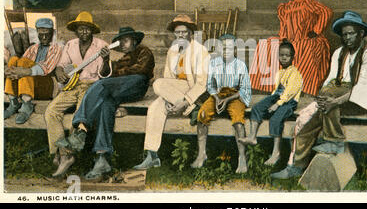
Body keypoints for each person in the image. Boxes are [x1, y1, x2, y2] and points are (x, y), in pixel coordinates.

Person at [271, 11, 367, 179]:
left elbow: (362, 87)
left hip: (357, 100)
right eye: (344, 34)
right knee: (304, 121)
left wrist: (332, 101)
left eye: (351, 33)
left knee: (328, 96)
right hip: (333, 98)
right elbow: (329, 81)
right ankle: (295, 167)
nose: (347, 37)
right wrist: (322, 99)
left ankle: (335, 141)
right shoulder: (339, 52)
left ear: (361, 33)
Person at [53, 27, 155, 180]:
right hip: (121, 89)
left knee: (100, 85)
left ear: (134, 40)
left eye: (125, 40)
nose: (122, 44)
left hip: (137, 84)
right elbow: (109, 72)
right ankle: (102, 158)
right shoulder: (124, 58)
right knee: (106, 104)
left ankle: (81, 128)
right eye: (120, 42)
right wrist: (106, 60)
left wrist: (115, 74)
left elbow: (141, 70)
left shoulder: (144, 51)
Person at [133, 15, 210, 170]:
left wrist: (185, 101)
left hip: (195, 93)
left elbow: (202, 83)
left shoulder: (200, 51)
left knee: (158, 83)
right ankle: (152, 155)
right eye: (177, 33)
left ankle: (191, 107)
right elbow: (169, 79)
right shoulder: (172, 51)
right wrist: (169, 100)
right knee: (155, 107)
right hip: (176, 93)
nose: (180, 36)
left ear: (190, 33)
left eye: (184, 32)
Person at [44, 11, 108, 177]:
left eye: (87, 29)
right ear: (76, 30)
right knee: (51, 111)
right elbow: (61, 65)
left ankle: (68, 155)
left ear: (92, 30)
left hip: (91, 87)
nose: (84, 32)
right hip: (72, 85)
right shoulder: (70, 45)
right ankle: (61, 152)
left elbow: (105, 75)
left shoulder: (102, 45)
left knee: (79, 116)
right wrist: (59, 72)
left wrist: (106, 60)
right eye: (81, 29)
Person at [249, 0, 332, 96]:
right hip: (290, 39)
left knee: (304, 49)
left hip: (308, 38)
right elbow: (284, 26)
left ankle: (302, 89)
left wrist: (316, 30)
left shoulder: (307, 3)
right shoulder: (284, 8)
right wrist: (283, 38)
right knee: (266, 45)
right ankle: (266, 87)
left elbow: (326, 12)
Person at [191, 34, 252, 173]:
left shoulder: (240, 65)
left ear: (235, 50)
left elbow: (244, 89)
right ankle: (202, 154)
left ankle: (242, 157)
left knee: (238, 120)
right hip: (218, 95)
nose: (226, 51)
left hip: (235, 96)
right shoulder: (214, 63)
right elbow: (210, 85)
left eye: (230, 48)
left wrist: (227, 100)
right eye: (224, 48)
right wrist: (217, 98)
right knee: (202, 114)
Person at [239, 39, 303, 166]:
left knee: (275, 119)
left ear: (292, 57)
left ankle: (276, 152)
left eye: (287, 55)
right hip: (277, 97)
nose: (284, 58)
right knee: (257, 107)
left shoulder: (295, 73)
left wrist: (277, 104)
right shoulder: (279, 72)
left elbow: (289, 92)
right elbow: (276, 90)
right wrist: (271, 101)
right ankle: (252, 136)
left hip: (289, 101)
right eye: (281, 55)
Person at [4, 18, 62, 124]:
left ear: (52, 33)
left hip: (46, 86)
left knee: (24, 63)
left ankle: (27, 104)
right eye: (41, 34)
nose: (44, 37)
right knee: (14, 60)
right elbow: (20, 64)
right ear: (37, 33)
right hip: (31, 85)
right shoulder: (33, 48)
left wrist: (24, 71)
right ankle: (13, 101)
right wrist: (12, 70)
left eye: (47, 34)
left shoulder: (56, 48)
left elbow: (47, 68)